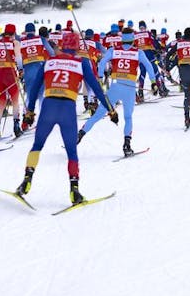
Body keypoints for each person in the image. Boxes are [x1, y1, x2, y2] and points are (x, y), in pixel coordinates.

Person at [15, 30, 117, 204]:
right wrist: (110, 109)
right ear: (77, 47)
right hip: (67, 109)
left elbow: (33, 90)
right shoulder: (81, 62)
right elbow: (97, 88)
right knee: (71, 152)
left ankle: (26, 180)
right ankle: (74, 190)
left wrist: (30, 112)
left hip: (48, 106)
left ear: (62, 45)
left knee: (37, 145)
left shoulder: (48, 62)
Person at [78, 29, 157, 155]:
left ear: (122, 39)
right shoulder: (138, 52)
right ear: (132, 39)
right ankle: (127, 145)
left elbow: (103, 62)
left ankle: (80, 134)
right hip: (129, 89)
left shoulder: (113, 50)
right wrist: (153, 82)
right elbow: (148, 65)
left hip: (115, 87)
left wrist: (99, 77)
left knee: (98, 115)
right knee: (128, 117)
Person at [0, 24, 23, 140]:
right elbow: (18, 58)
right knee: (15, 100)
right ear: (13, 33)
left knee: (1, 102)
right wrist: (21, 70)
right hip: (10, 73)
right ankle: (16, 127)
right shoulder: (15, 43)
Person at [19, 23, 55, 131]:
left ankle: (25, 121)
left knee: (30, 96)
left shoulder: (22, 41)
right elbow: (52, 53)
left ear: (26, 31)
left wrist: (21, 69)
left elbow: (19, 58)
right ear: (34, 31)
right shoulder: (41, 39)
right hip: (40, 69)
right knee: (41, 96)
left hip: (28, 71)